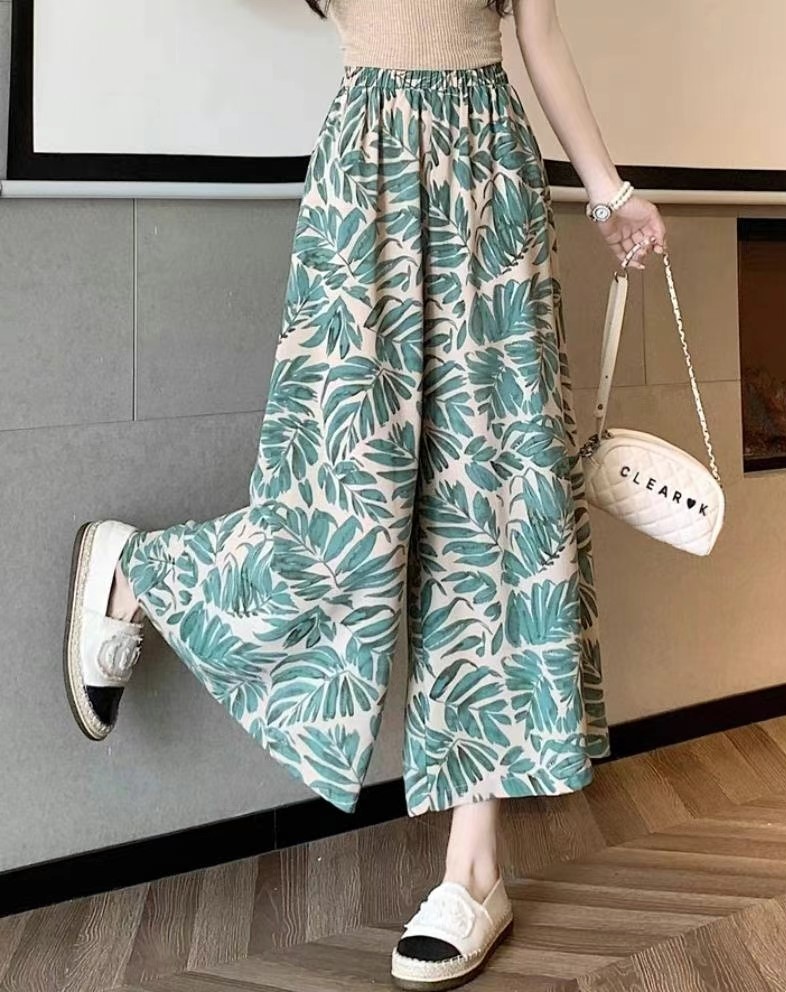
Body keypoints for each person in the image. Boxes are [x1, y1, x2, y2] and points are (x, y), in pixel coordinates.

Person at [63, 0, 666, 987]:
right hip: (366, 168)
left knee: (493, 514)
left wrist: (609, 194)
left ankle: (473, 873)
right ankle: (144, 571)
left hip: (489, 176)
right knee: (334, 503)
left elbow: (539, 29)